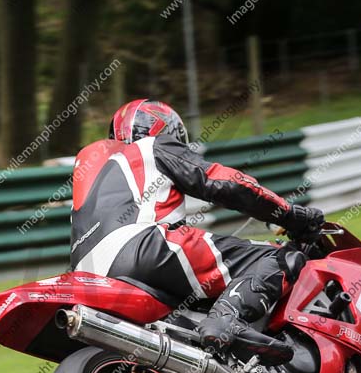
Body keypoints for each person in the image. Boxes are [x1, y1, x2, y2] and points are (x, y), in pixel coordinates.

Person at [70, 99, 324, 353]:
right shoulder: (153, 146)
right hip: (144, 246)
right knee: (278, 255)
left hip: (86, 274)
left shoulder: (94, 173)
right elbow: (227, 183)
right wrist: (290, 214)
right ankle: (227, 319)